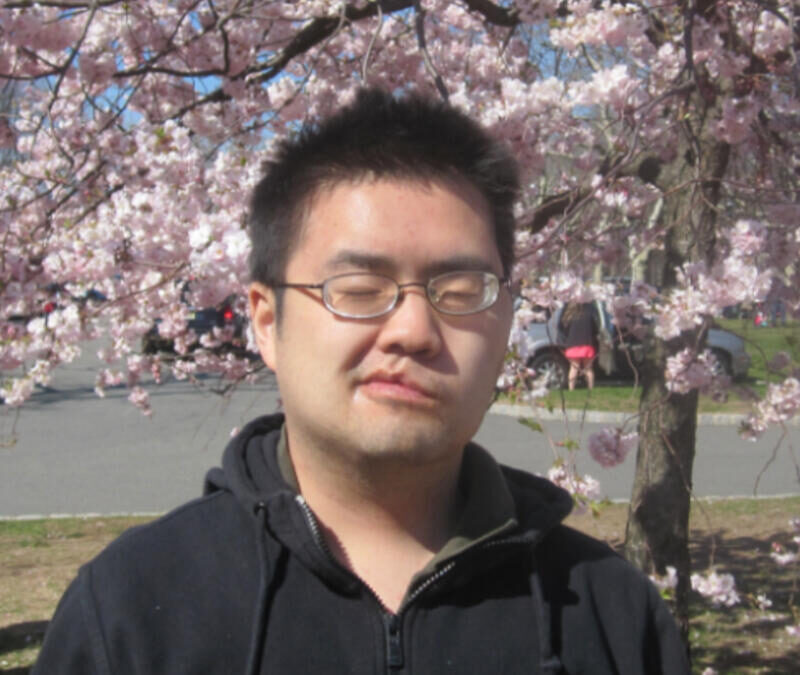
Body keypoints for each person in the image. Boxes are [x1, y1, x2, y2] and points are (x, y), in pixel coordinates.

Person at [33, 89, 688, 674]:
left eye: (461, 290)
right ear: (266, 321)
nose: (413, 329)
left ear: (508, 317)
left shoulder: (610, 611)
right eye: (359, 289)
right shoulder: (132, 608)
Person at [559, 301, 599, 390]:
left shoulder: (569, 316)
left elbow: (563, 330)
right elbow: (595, 329)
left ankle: (571, 388)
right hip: (587, 344)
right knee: (588, 368)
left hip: (573, 345)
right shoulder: (589, 314)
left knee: (573, 368)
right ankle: (590, 388)